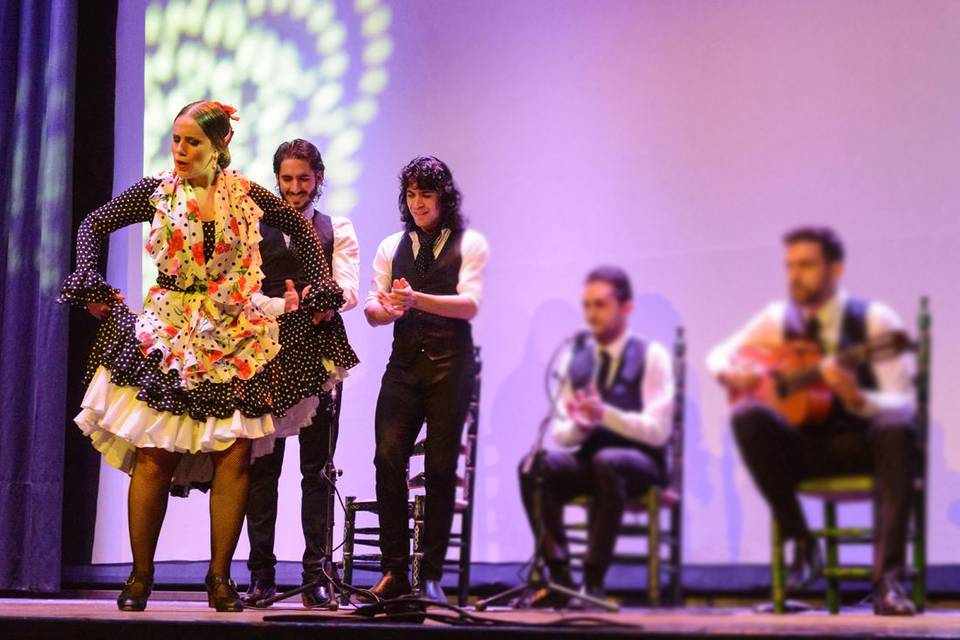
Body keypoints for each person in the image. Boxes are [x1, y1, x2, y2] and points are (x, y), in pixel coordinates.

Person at [58, 101, 358, 612]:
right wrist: (90, 279)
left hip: (233, 330)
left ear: (219, 146)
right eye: (176, 139)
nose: (180, 150)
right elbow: (93, 223)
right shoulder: (156, 192)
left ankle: (220, 578)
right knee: (155, 452)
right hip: (170, 330)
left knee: (235, 452)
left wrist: (324, 284)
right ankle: (140, 575)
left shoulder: (245, 194)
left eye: (192, 141)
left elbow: (303, 232)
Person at [707, 226, 916, 616]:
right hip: (807, 450)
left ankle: (887, 581)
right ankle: (802, 543)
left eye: (806, 265)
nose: (795, 275)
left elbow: (902, 404)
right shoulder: (776, 319)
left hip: (862, 445)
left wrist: (856, 397)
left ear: (835, 270)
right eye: (790, 266)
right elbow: (718, 354)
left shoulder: (874, 321)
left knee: (896, 428)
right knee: (748, 416)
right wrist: (731, 374)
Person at [362, 156, 488, 604]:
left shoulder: (468, 244)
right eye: (412, 194)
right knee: (387, 458)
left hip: (450, 367)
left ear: (443, 198)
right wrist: (388, 310)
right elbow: (373, 311)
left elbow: (469, 305)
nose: (418, 203)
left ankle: (430, 574)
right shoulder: (391, 245)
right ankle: (394, 570)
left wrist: (416, 299)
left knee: (439, 470)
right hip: (404, 367)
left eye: (426, 195)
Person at [242, 139, 360, 608]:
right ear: (277, 179)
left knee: (316, 469)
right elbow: (245, 287)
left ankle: (316, 576)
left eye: (304, 179)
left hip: (317, 352)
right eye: (287, 179)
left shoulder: (336, 227)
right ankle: (261, 576)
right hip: (266, 352)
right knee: (262, 469)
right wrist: (281, 305)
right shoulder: (254, 224)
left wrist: (319, 301)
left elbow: (348, 288)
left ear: (319, 179)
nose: (295, 188)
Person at [518, 266, 675, 607]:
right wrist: (581, 425)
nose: (592, 314)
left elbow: (658, 431)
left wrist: (606, 415)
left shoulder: (652, 357)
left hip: (642, 463)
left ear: (626, 307)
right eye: (587, 305)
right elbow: (561, 435)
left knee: (609, 462)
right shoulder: (577, 358)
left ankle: (594, 580)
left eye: (601, 305)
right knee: (534, 466)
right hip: (595, 461)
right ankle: (561, 579)